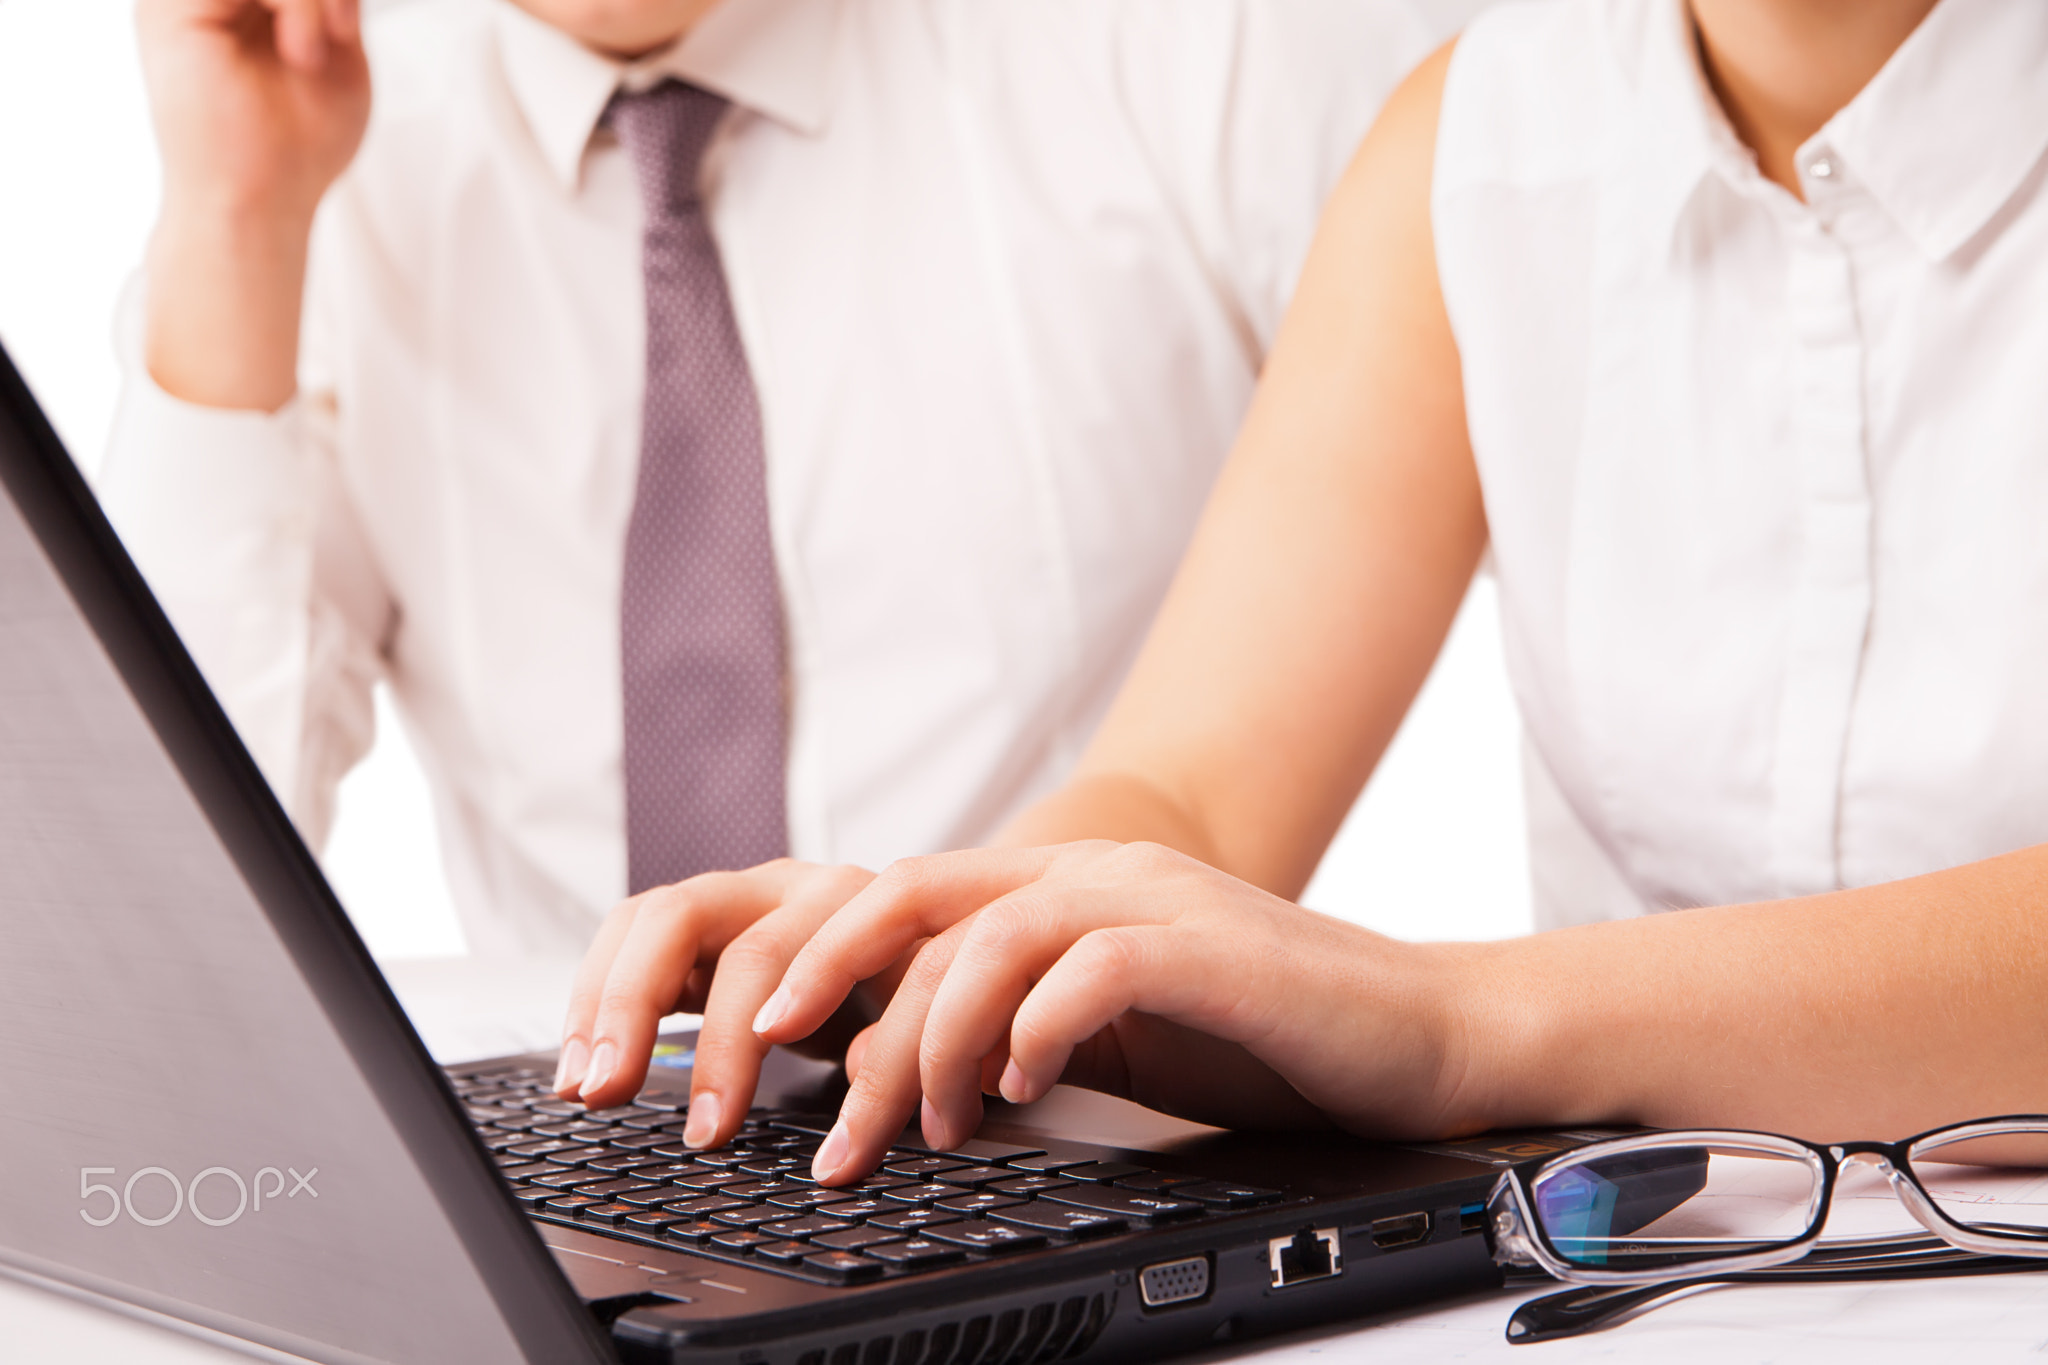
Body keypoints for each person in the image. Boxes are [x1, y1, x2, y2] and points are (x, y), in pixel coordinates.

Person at [567, 0, 2048, 1183]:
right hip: (1652, 1276)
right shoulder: (1481, 137)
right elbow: (1195, 791)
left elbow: (1448, 1020)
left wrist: (1464, 1024)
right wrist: (943, 945)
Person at [103, 0, 1431, 974]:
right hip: (579, 1166)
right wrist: (235, 221)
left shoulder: (1217, 45)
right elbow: (167, 921)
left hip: (1079, 1111)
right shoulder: (332, 137)